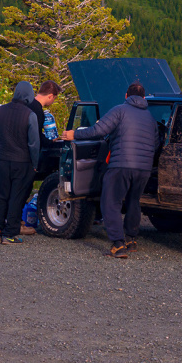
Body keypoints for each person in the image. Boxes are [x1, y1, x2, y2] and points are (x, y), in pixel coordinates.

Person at [61, 82, 157, 258]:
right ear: (144, 98)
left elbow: (99, 130)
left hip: (121, 164)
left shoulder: (120, 110)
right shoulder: (150, 118)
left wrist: (75, 134)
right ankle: (131, 239)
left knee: (110, 201)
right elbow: (156, 143)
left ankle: (118, 245)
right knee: (134, 201)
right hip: (144, 168)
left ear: (126, 96)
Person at [0, 81, 40, 244]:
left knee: (1, 196)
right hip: (22, 162)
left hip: (3, 160)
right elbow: (34, 143)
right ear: (29, 95)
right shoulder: (30, 114)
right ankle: (10, 233)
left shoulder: (1, 111)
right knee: (16, 198)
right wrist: (35, 163)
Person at [19, 80, 61, 236]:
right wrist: (50, 143)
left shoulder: (27, 105)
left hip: (16, 152)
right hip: (27, 155)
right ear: (50, 96)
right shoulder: (37, 110)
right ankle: (18, 222)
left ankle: (16, 220)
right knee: (24, 187)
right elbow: (35, 136)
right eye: (54, 98)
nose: (53, 101)